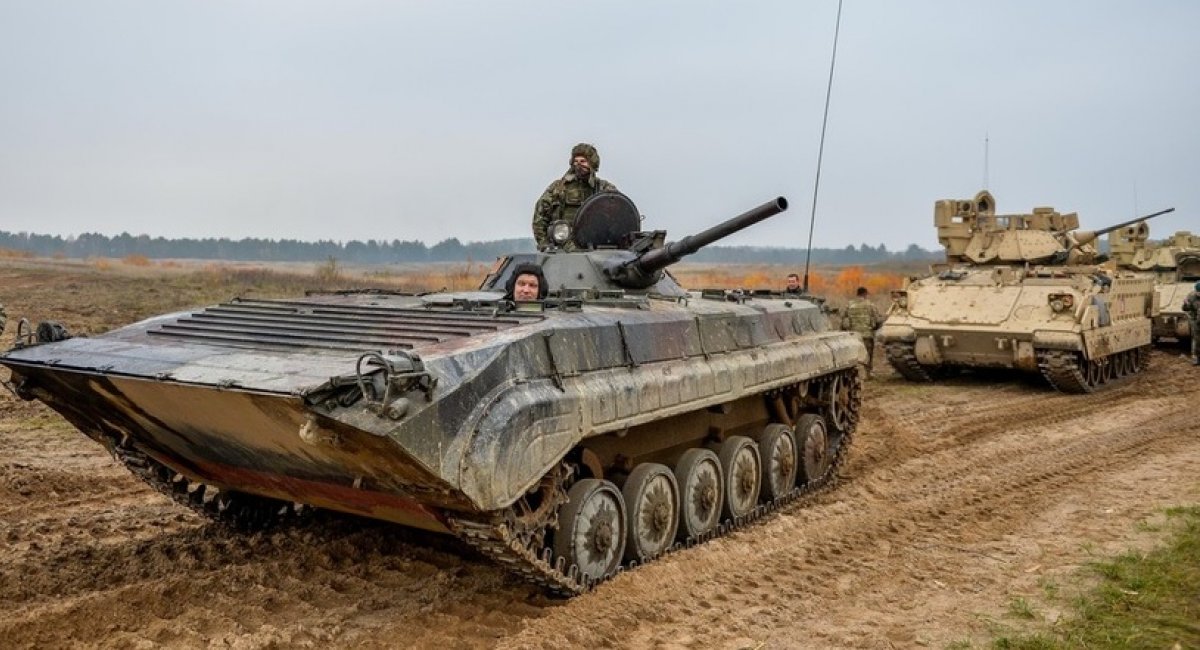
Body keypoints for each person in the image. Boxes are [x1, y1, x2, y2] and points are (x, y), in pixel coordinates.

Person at [532, 143, 618, 250]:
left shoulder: (604, 189)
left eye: (583, 161)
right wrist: (544, 244)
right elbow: (539, 218)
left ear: (592, 163)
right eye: (576, 161)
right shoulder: (558, 188)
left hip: (597, 247)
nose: (579, 165)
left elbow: (618, 216)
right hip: (564, 247)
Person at [841, 286, 883, 376]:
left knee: (854, 355)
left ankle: (853, 374)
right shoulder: (870, 305)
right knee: (867, 355)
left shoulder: (849, 304)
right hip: (867, 335)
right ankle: (867, 373)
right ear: (865, 294)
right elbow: (877, 320)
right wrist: (876, 328)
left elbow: (843, 319)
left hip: (853, 336)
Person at [1182, 281, 1200, 365]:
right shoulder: (1191, 296)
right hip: (1195, 319)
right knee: (1196, 338)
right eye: (1198, 292)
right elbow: (1185, 309)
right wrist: (1186, 305)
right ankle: (1195, 357)